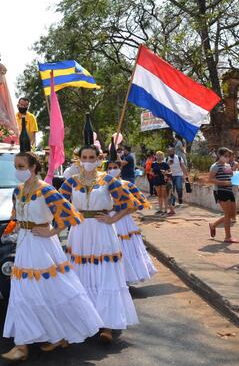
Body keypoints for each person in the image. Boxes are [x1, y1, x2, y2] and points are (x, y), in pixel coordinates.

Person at [1, 152, 103, 361]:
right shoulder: (17, 191)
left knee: (50, 290)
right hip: (24, 243)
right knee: (23, 292)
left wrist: (52, 231)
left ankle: (56, 335)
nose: (17, 170)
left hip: (43, 245)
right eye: (16, 166)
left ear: (34, 168)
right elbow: (16, 216)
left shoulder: (47, 191)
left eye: (21, 166)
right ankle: (23, 345)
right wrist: (11, 229)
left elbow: (70, 215)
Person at [59, 143, 139, 344]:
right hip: (80, 232)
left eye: (90, 157)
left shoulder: (109, 180)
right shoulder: (71, 182)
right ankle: (84, 319)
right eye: (83, 157)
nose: (87, 161)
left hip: (103, 230)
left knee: (105, 274)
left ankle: (107, 324)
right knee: (80, 274)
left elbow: (131, 203)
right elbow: (58, 205)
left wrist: (113, 219)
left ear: (98, 159)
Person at [106, 153, 157, 284]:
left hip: (124, 221)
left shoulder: (127, 184)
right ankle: (114, 278)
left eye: (114, 167)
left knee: (126, 248)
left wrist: (122, 210)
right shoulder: (102, 185)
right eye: (109, 167)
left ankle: (127, 276)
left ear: (120, 168)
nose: (112, 170)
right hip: (107, 221)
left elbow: (139, 203)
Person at [208, 148, 239, 243]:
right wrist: (224, 183)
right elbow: (211, 179)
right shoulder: (215, 166)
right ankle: (228, 237)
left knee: (232, 215)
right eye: (225, 156)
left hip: (229, 190)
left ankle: (213, 225)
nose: (227, 158)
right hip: (220, 191)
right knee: (227, 214)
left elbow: (230, 176)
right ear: (219, 155)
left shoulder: (228, 165)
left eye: (228, 156)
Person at [151, 151, 175, 216]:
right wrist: (153, 174)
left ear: (162, 156)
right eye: (157, 155)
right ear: (155, 156)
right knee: (159, 196)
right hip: (156, 180)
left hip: (164, 181)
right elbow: (152, 171)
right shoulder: (153, 163)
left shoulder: (165, 164)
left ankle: (165, 210)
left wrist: (165, 173)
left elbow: (170, 173)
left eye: (160, 155)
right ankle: (160, 209)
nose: (159, 156)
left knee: (165, 196)